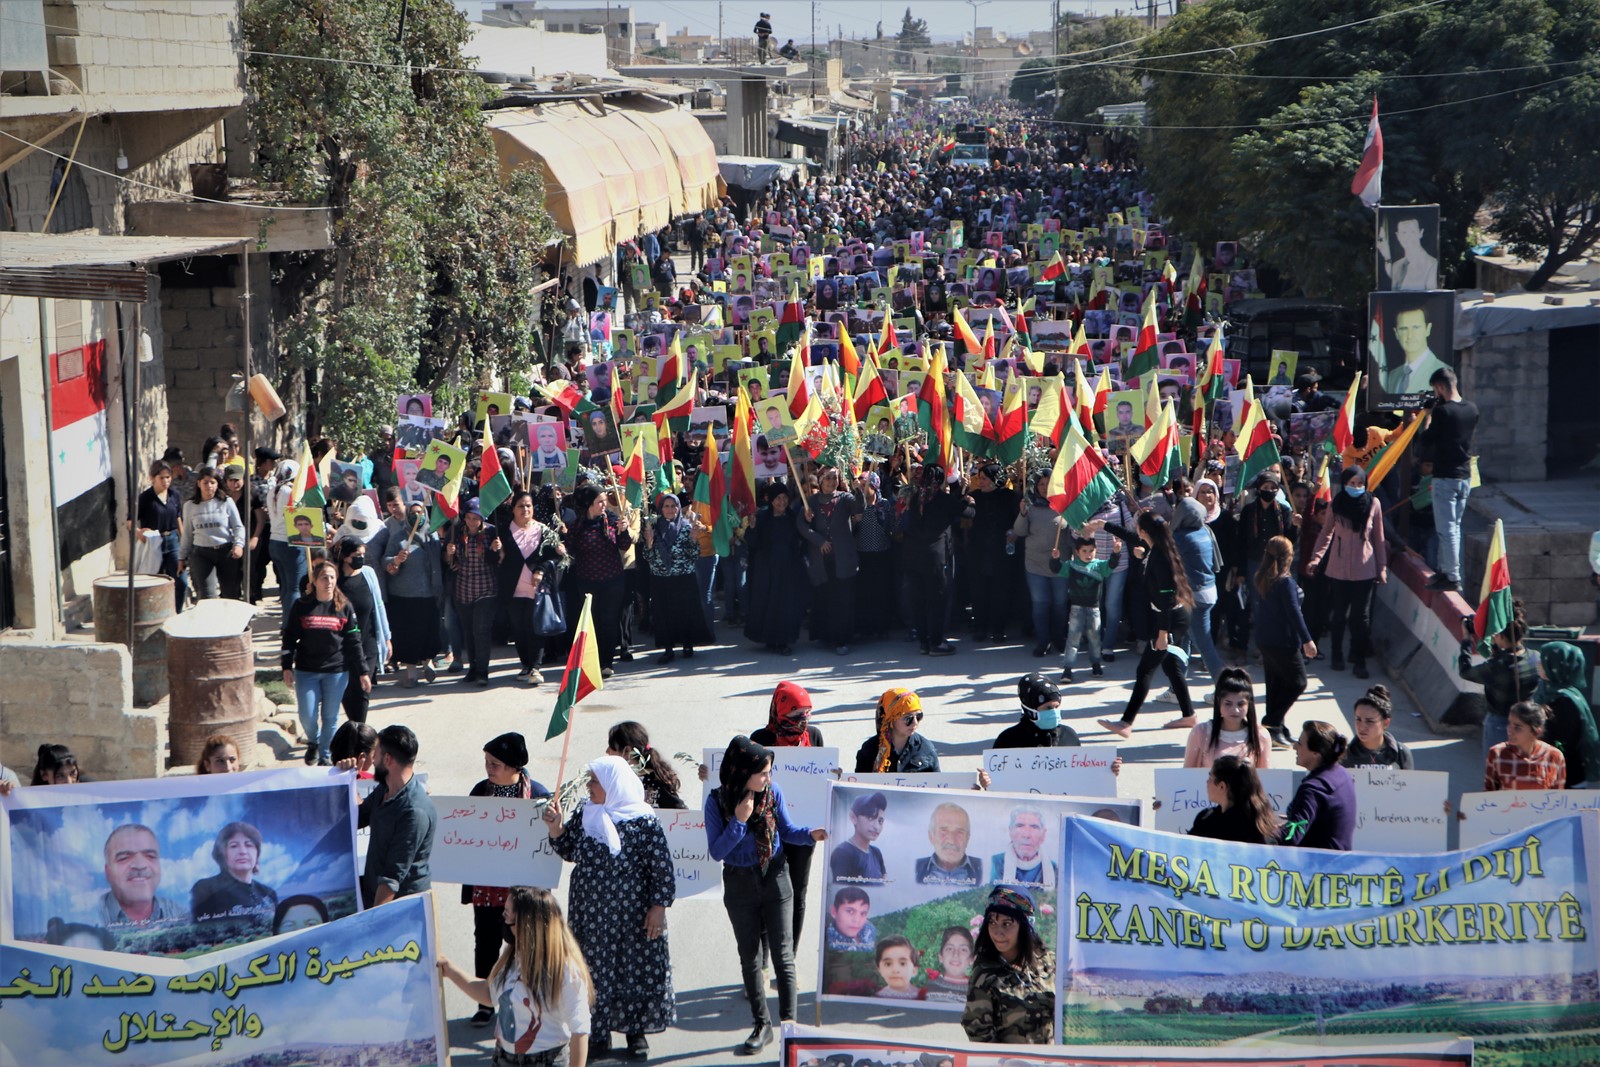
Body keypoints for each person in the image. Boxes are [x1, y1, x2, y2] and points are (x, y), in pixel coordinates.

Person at [543, 756, 676, 1060]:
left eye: (594, 781)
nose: (588, 787)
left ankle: (635, 1033)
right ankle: (597, 1035)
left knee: (634, 971)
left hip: (633, 915)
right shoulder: (587, 813)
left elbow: (661, 869)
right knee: (592, 972)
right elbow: (570, 850)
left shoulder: (643, 820)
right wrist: (556, 829)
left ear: (612, 784)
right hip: (591, 914)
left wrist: (659, 907)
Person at [704, 736, 826, 1056]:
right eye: (763, 773)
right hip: (740, 883)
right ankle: (762, 1025)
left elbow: (787, 831)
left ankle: (790, 1029)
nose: (768, 778)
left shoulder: (773, 794)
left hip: (775, 877)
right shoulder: (718, 802)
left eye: (770, 772)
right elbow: (717, 851)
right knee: (750, 957)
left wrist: (810, 834)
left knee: (783, 957)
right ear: (743, 772)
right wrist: (739, 822)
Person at [438, 886, 593, 1067]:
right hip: (504, 1058)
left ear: (526, 924)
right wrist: (450, 970)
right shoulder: (512, 957)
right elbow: (490, 994)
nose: (502, 919)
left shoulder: (565, 969)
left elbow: (580, 1029)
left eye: (507, 914)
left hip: (546, 1061)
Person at [460, 733, 551, 1028]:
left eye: (495, 763)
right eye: (487, 762)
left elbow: (550, 841)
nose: (488, 768)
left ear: (514, 767)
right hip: (486, 886)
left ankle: (531, 999)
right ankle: (485, 1002)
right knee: (485, 942)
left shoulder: (538, 795)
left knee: (527, 943)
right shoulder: (480, 791)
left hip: (522, 888)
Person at [1095, 512, 1198, 738]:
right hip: (1172, 616)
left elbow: (1167, 598)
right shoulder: (1157, 546)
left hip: (1170, 618)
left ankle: (1125, 722)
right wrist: (1105, 525)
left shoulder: (1160, 556)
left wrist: (1162, 633)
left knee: (1145, 670)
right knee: (1171, 666)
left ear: (1145, 532)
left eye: (1137, 527)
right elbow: (1131, 538)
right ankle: (1189, 715)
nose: (1136, 532)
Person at [282, 559, 369, 765]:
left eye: (332, 577)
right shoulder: (302, 606)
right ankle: (314, 740)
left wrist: (363, 672)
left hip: (336, 672)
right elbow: (289, 636)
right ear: (315, 581)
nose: (328, 581)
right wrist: (286, 666)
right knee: (307, 716)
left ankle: (325, 755)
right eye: (323, 577)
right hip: (306, 670)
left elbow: (354, 641)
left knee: (330, 717)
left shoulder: (344, 607)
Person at [1304, 466, 1386, 678]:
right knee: (1339, 614)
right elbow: (1326, 534)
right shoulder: (1337, 504)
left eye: (1360, 484)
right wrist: (1316, 558)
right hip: (1338, 568)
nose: (1356, 488)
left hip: (1365, 569)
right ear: (1345, 483)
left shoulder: (1373, 504)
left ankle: (1358, 658)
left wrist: (1381, 568)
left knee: (1360, 617)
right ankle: (1337, 654)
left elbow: (1378, 538)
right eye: (1352, 484)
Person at [961, 886, 1055, 1045]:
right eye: (992, 922)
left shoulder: (1049, 963)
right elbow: (979, 1035)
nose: (997, 932)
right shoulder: (984, 973)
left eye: (1006, 924)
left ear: (1026, 926)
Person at [358, 724, 437, 908]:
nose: (372, 759)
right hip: (375, 897)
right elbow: (359, 816)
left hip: (401, 910)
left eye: (375, 754)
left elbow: (392, 878)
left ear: (387, 759)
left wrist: (373, 921)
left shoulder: (414, 812)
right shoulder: (386, 789)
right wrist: (346, 778)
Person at [1252, 536, 1317, 749]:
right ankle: (1271, 722)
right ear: (1289, 557)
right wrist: (1307, 639)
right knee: (1298, 682)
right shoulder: (1285, 582)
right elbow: (1293, 612)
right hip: (1283, 642)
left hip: (1265, 640)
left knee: (1276, 684)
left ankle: (1276, 728)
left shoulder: (1263, 576)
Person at [903, 464, 974, 656]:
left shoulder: (917, 497)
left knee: (919, 600)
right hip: (935, 557)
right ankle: (937, 642)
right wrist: (969, 501)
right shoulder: (942, 499)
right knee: (937, 600)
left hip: (913, 555)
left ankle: (924, 642)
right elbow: (966, 512)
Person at [1458, 598, 1541, 761]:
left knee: (1496, 773)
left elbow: (1465, 671)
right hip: (1528, 723)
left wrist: (1467, 640)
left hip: (1500, 724)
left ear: (1498, 634)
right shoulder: (1534, 658)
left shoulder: (1497, 667)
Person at [498, 491, 567, 686]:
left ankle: (536, 667)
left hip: (537, 589)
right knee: (519, 630)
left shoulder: (543, 530)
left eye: (528, 506)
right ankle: (526, 665)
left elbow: (556, 556)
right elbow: (494, 560)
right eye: (521, 506)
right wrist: (496, 553)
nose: (525, 510)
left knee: (534, 628)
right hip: (513, 589)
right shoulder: (503, 531)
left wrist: (541, 570)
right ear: (513, 509)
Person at [1419, 367, 1478, 592]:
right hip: (1464, 476)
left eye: (1436, 390)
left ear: (1441, 387)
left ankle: (1452, 576)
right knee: (1455, 527)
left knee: (1447, 529)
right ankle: (1446, 570)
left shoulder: (1443, 413)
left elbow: (1426, 440)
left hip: (1445, 477)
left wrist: (1427, 416)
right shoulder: (1472, 409)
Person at [565, 485, 631, 679]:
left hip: (613, 580)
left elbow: (624, 545)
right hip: (587, 582)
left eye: (604, 500)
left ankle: (606, 661)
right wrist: (562, 539)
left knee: (609, 620)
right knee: (590, 622)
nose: (604, 504)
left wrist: (623, 531)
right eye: (599, 501)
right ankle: (589, 661)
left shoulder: (611, 520)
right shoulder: (577, 526)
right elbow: (569, 550)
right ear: (589, 505)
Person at [641, 494, 713, 664]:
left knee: (685, 613)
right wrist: (649, 542)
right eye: (666, 506)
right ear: (661, 509)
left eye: (673, 506)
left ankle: (687, 644)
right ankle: (667, 648)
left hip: (683, 578)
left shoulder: (687, 528)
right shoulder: (653, 528)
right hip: (661, 579)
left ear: (679, 508)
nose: (670, 510)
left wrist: (694, 540)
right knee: (664, 615)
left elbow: (694, 555)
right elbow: (648, 557)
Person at [801, 467, 864, 656]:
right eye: (827, 478)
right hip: (821, 559)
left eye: (834, 478)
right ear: (820, 481)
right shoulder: (811, 501)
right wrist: (818, 540)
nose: (831, 481)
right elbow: (801, 525)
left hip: (843, 558)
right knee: (824, 597)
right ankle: (824, 635)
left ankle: (841, 639)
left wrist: (857, 489)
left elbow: (860, 508)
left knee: (842, 599)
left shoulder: (844, 498)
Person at [383, 500, 444, 687]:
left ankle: (427, 663)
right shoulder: (398, 537)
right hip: (404, 596)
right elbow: (384, 561)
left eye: (420, 512)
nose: (417, 516)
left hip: (428, 594)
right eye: (413, 512)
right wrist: (396, 559)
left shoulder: (431, 537)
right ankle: (411, 673)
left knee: (428, 632)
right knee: (409, 635)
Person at [743, 483, 808, 655]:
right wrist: (752, 527)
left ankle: (783, 640)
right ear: (771, 500)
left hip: (789, 568)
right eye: (778, 498)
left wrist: (809, 519)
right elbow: (752, 542)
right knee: (767, 603)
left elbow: (802, 537)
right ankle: (769, 639)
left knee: (786, 604)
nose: (782, 501)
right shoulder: (762, 517)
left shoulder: (793, 516)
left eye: (785, 497)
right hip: (766, 569)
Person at [446, 498, 503, 687]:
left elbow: (499, 559)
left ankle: (483, 671)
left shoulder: (491, 532)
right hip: (463, 590)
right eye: (468, 518)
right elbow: (448, 562)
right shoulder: (456, 532)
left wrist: (497, 550)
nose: (471, 522)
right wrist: (449, 552)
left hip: (486, 588)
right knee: (468, 632)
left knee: (481, 630)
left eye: (475, 518)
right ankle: (472, 668)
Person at [1015, 474, 1069, 656]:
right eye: (1041, 484)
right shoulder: (1030, 506)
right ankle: (1043, 641)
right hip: (1035, 564)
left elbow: (1073, 534)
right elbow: (1019, 531)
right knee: (1040, 604)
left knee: (1060, 604)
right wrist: (1022, 514)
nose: (1045, 487)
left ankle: (1059, 639)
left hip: (1060, 564)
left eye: (1049, 483)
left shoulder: (1065, 505)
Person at [336, 539, 389, 725]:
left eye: (362, 555)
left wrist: (387, 638)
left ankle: (359, 731)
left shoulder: (368, 574)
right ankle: (355, 727)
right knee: (348, 693)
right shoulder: (334, 579)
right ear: (344, 557)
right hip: (342, 647)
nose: (360, 558)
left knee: (363, 691)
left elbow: (379, 606)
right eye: (356, 555)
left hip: (368, 643)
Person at [1282, 722, 1357, 850]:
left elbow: (1291, 836)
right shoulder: (1342, 773)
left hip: (1318, 866)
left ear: (1316, 753)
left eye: (1299, 743)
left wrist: (1260, 834)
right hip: (1340, 862)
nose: (1295, 747)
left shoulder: (1312, 789)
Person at [1052, 535, 1117, 683]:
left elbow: (1112, 564)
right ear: (1077, 551)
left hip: (1094, 609)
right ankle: (1067, 669)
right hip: (1076, 608)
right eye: (1084, 551)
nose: (1088, 554)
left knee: (1095, 639)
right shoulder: (1071, 565)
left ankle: (1096, 664)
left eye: (1091, 551)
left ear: (1096, 551)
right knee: (1073, 639)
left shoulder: (1099, 565)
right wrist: (1055, 559)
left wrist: (1116, 552)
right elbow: (1056, 569)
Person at [98, 824, 187, 927]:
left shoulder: (181, 914)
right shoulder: (91, 918)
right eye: (124, 858)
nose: (140, 865)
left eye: (150, 856)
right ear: (108, 872)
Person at [190, 822, 277, 927]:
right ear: (222, 853)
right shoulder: (205, 889)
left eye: (249, 845)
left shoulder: (268, 893)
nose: (243, 851)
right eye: (234, 846)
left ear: (257, 853)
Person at [1537, 641, 1600, 788]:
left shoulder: (1564, 701)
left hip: (1566, 777)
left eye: (1543, 660)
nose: (1538, 664)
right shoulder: (1548, 691)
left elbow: (1563, 744)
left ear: (1555, 666)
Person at [179, 465, 246, 600]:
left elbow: (238, 526)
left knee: (230, 594)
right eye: (205, 482)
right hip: (202, 554)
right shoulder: (190, 506)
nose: (209, 486)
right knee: (207, 595)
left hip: (225, 552)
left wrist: (239, 545)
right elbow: (187, 534)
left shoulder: (226, 502)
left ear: (217, 484)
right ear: (199, 484)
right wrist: (182, 557)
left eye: (212, 482)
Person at [1182, 668, 1271, 769]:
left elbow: (1265, 780)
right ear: (1219, 702)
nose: (1235, 710)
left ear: (1248, 704)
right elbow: (1187, 775)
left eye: (1241, 704)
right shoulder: (1201, 732)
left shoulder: (1260, 735)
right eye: (1228, 704)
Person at [1188, 755, 1278, 844]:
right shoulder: (1261, 823)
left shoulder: (1208, 824)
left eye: (1210, 777)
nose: (1207, 782)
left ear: (1221, 786)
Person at [137, 460, 188, 612]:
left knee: (181, 581)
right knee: (155, 582)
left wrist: (184, 542)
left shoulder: (174, 495)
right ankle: (157, 614)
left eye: (168, 477)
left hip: (172, 541)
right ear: (152, 478)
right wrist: (139, 533)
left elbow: (178, 518)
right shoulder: (145, 498)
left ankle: (176, 612)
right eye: (162, 477)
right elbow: (130, 522)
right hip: (154, 542)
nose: (166, 481)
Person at [1483, 701, 1566, 791]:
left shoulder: (1554, 757)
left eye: (1517, 727)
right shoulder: (1497, 754)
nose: (1509, 730)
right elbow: (1488, 793)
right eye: (1509, 723)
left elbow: (1558, 797)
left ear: (1536, 731)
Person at [855, 688, 941, 773]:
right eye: (908, 718)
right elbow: (858, 784)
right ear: (890, 719)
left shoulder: (925, 748)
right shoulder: (869, 749)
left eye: (919, 716)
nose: (915, 723)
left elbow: (938, 783)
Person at [608, 721, 686, 809]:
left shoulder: (656, 783)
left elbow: (680, 813)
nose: (607, 752)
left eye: (611, 747)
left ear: (627, 751)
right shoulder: (617, 778)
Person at [992, 673, 1081, 748]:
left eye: (1057, 707)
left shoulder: (1069, 736)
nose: (1054, 712)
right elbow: (997, 765)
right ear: (1030, 709)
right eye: (1048, 708)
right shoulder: (1008, 740)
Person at [1381, 306, 1452, 396]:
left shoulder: (1443, 371)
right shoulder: (1393, 375)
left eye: (1416, 327)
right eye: (1403, 328)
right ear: (1396, 333)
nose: (1410, 335)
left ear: (1428, 329)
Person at [1342, 685, 1415, 769]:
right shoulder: (1344, 755)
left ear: (1386, 723)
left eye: (1370, 721)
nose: (1361, 727)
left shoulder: (1401, 754)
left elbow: (1409, 781)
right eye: (1358, 719)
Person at [914, 802, 981, 886]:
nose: (951, 841)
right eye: (944, 830)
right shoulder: (914, 869)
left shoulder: (983, 868)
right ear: (931, 836)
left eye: (960, 832)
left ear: (967, 838)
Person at [989, 806, 1056, 890]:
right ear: (1010, 831)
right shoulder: (995, 863)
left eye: (1034, 827)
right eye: (1020, 826)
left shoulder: (1054, 869)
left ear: (1043, 834)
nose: (1026, 835)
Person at [922, 927, 975, 1005]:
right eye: (949, 949)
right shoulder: (928, 988)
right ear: (940, 957)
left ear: (971, 959)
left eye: (963, 949)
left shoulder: (978, 992)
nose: (956, 955)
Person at [824, 886, 876, 950]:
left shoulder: (870, 930)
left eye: (863, 913)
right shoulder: (825, 940)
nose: (857, 920)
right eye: (850, 911)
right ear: (834, 912)